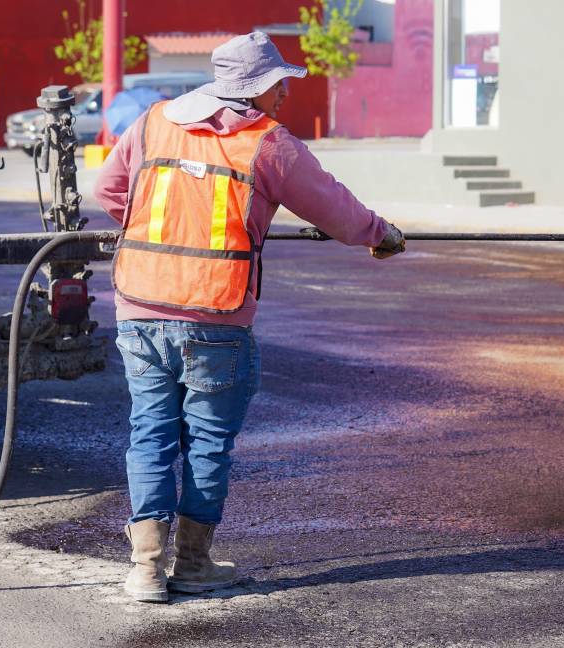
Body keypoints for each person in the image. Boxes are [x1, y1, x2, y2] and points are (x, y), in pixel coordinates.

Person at [94, 31, 405, 603]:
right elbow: (334, 207)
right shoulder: (269, 143)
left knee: (151, 433)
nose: (285, 91)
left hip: (140, 305)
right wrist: (379, 234)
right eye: (278, 82)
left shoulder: (153, 121)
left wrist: (162, 237)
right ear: (256, 88)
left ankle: (143, 568)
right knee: (208, 440)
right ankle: (191, 562)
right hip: (217, 313)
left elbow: (112, 190)